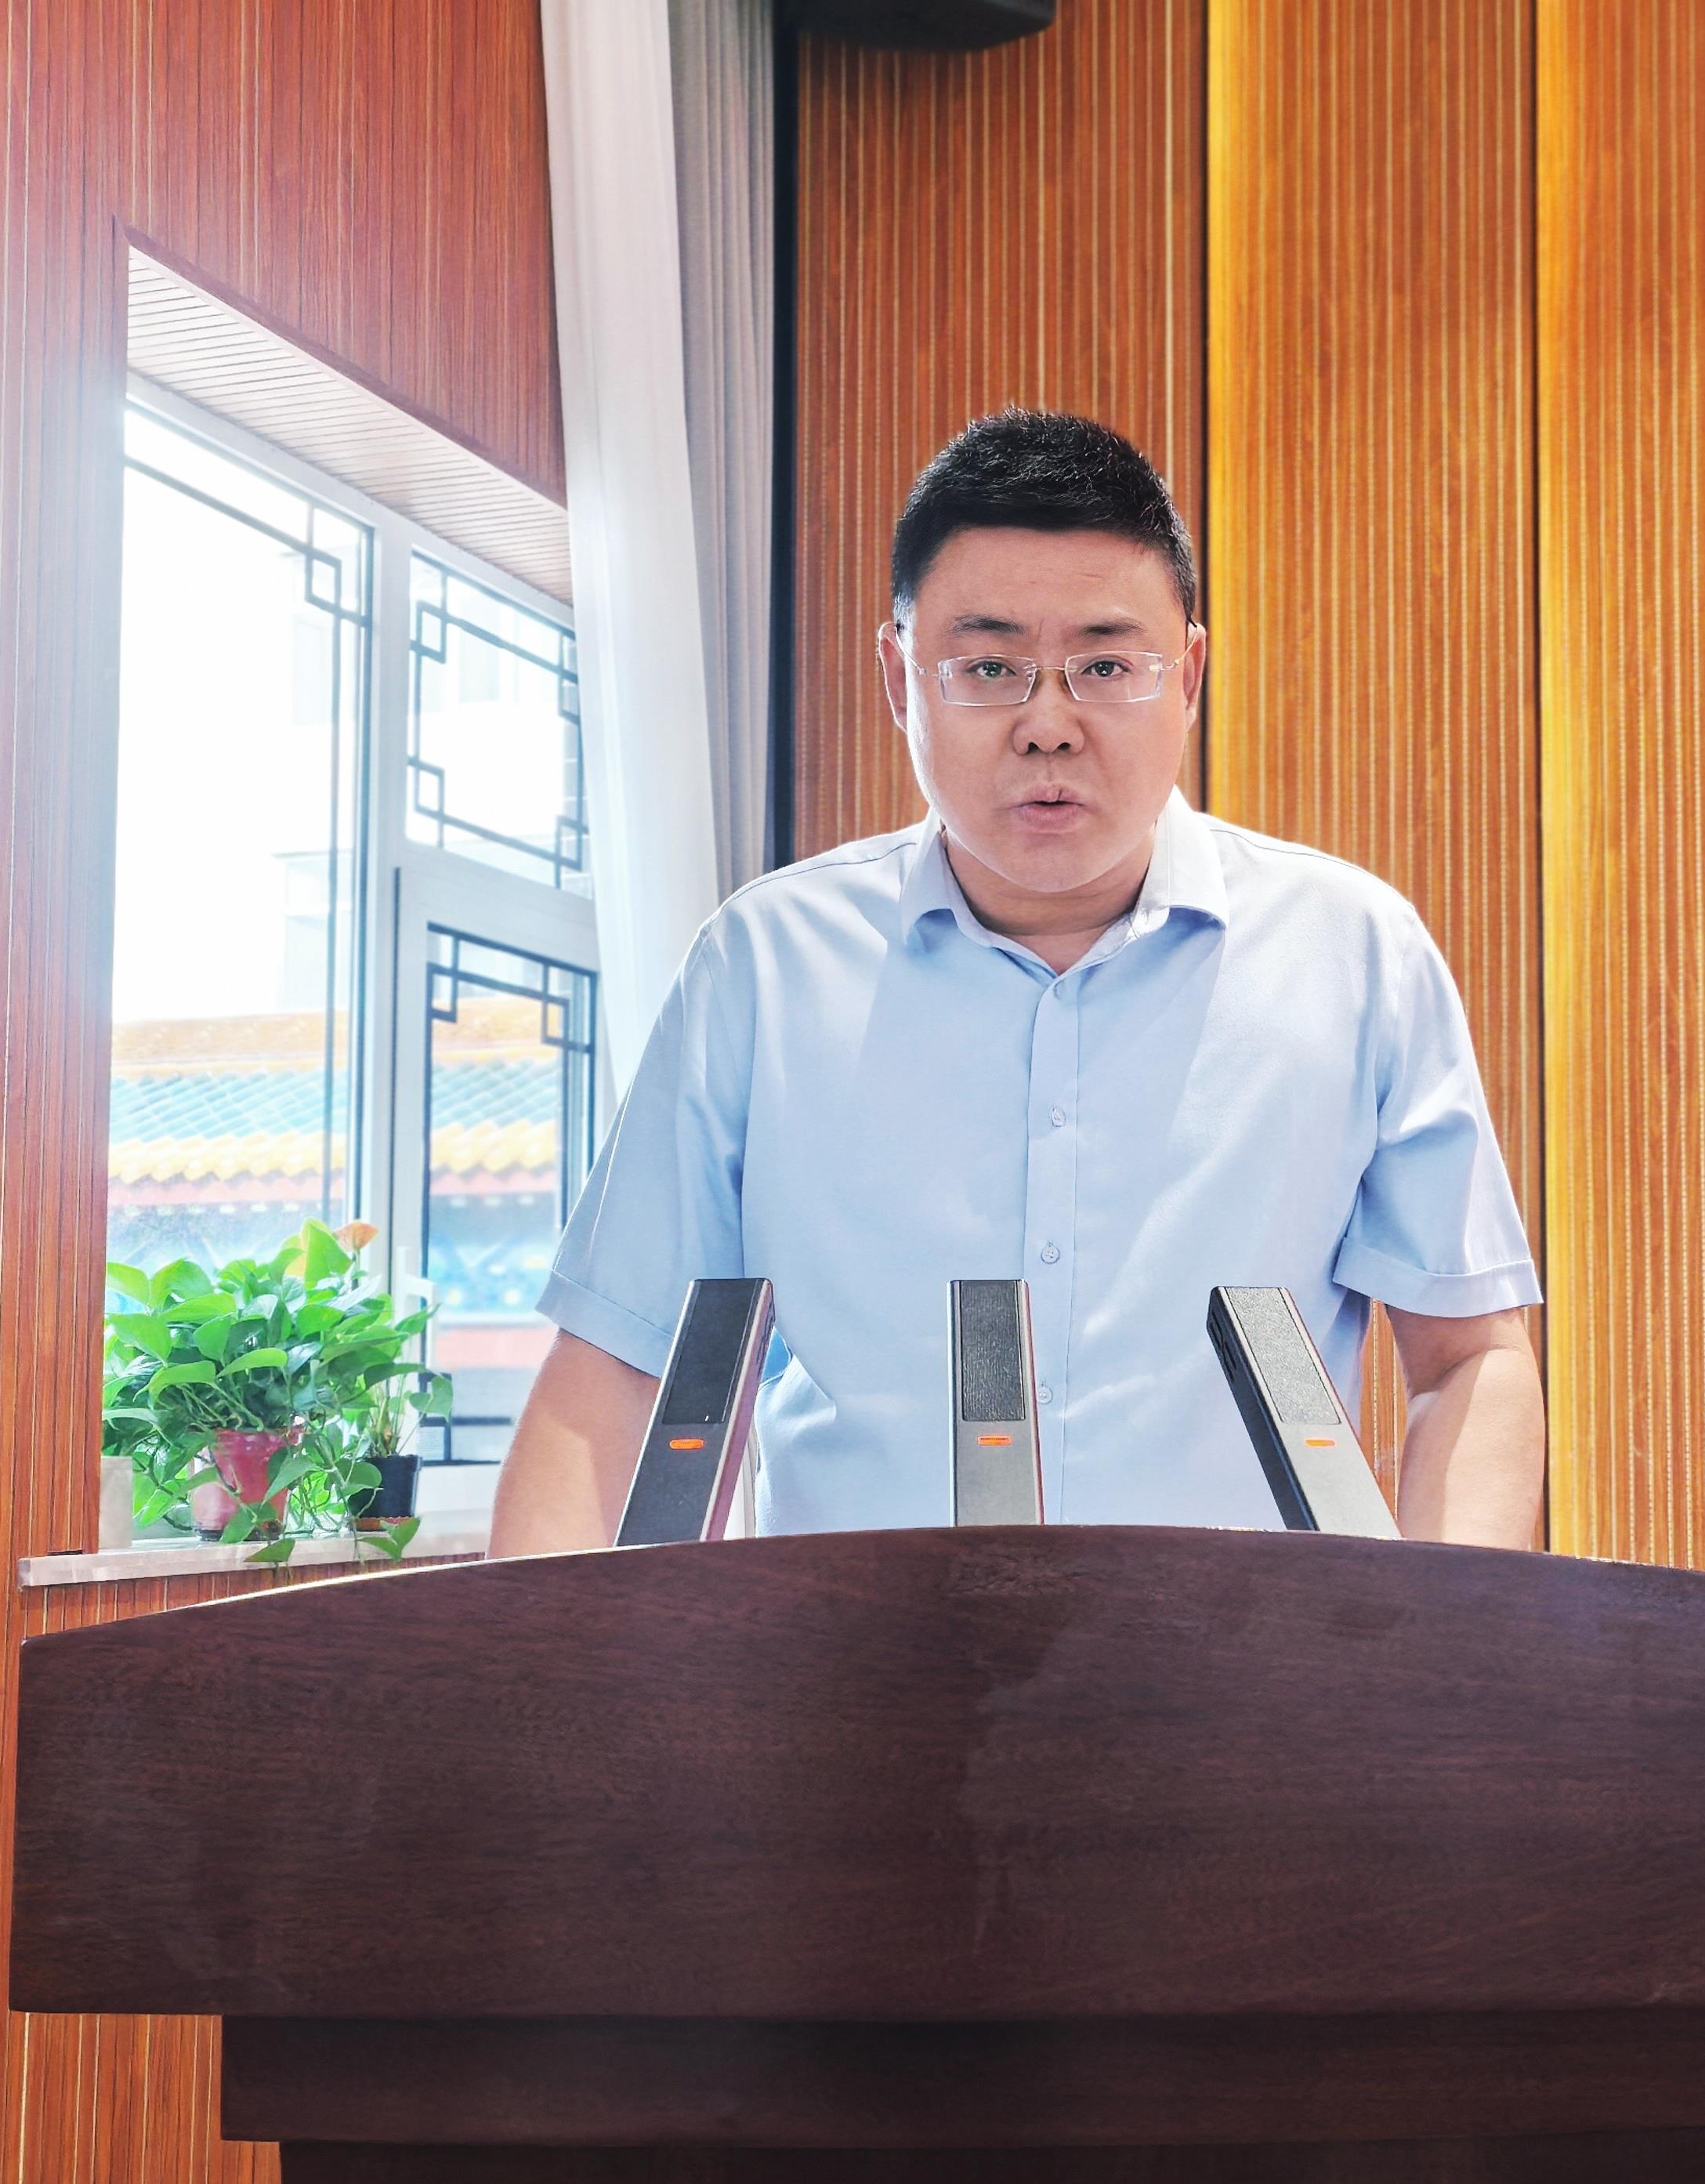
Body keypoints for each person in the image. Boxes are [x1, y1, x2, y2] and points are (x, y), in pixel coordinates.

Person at [490, 408, 1544, 1551]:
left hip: (1251, 1658)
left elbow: (1469, 1357)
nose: (1049, 726)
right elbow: (612, 1370)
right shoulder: (764, 967)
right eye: (989, 667)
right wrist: (545, 1666)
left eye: (1107, 666)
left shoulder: (1353, 953)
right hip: (844, 1656)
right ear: (901, 678)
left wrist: (1435, 1643)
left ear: (1188, 675)